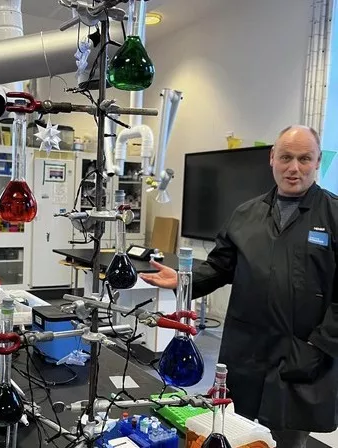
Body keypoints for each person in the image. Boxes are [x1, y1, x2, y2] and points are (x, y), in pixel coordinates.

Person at [140, 125, 338, 448]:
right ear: (272, 158)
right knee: (237, 434)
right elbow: (220, 267)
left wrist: (316, 347)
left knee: (287, 440)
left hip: (301, 359)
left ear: (318, 162)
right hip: (246, 355)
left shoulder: (334, 216)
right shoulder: (246, 215)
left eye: (304, 159)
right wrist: (184, 280)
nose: (294, 167)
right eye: (286, 157)